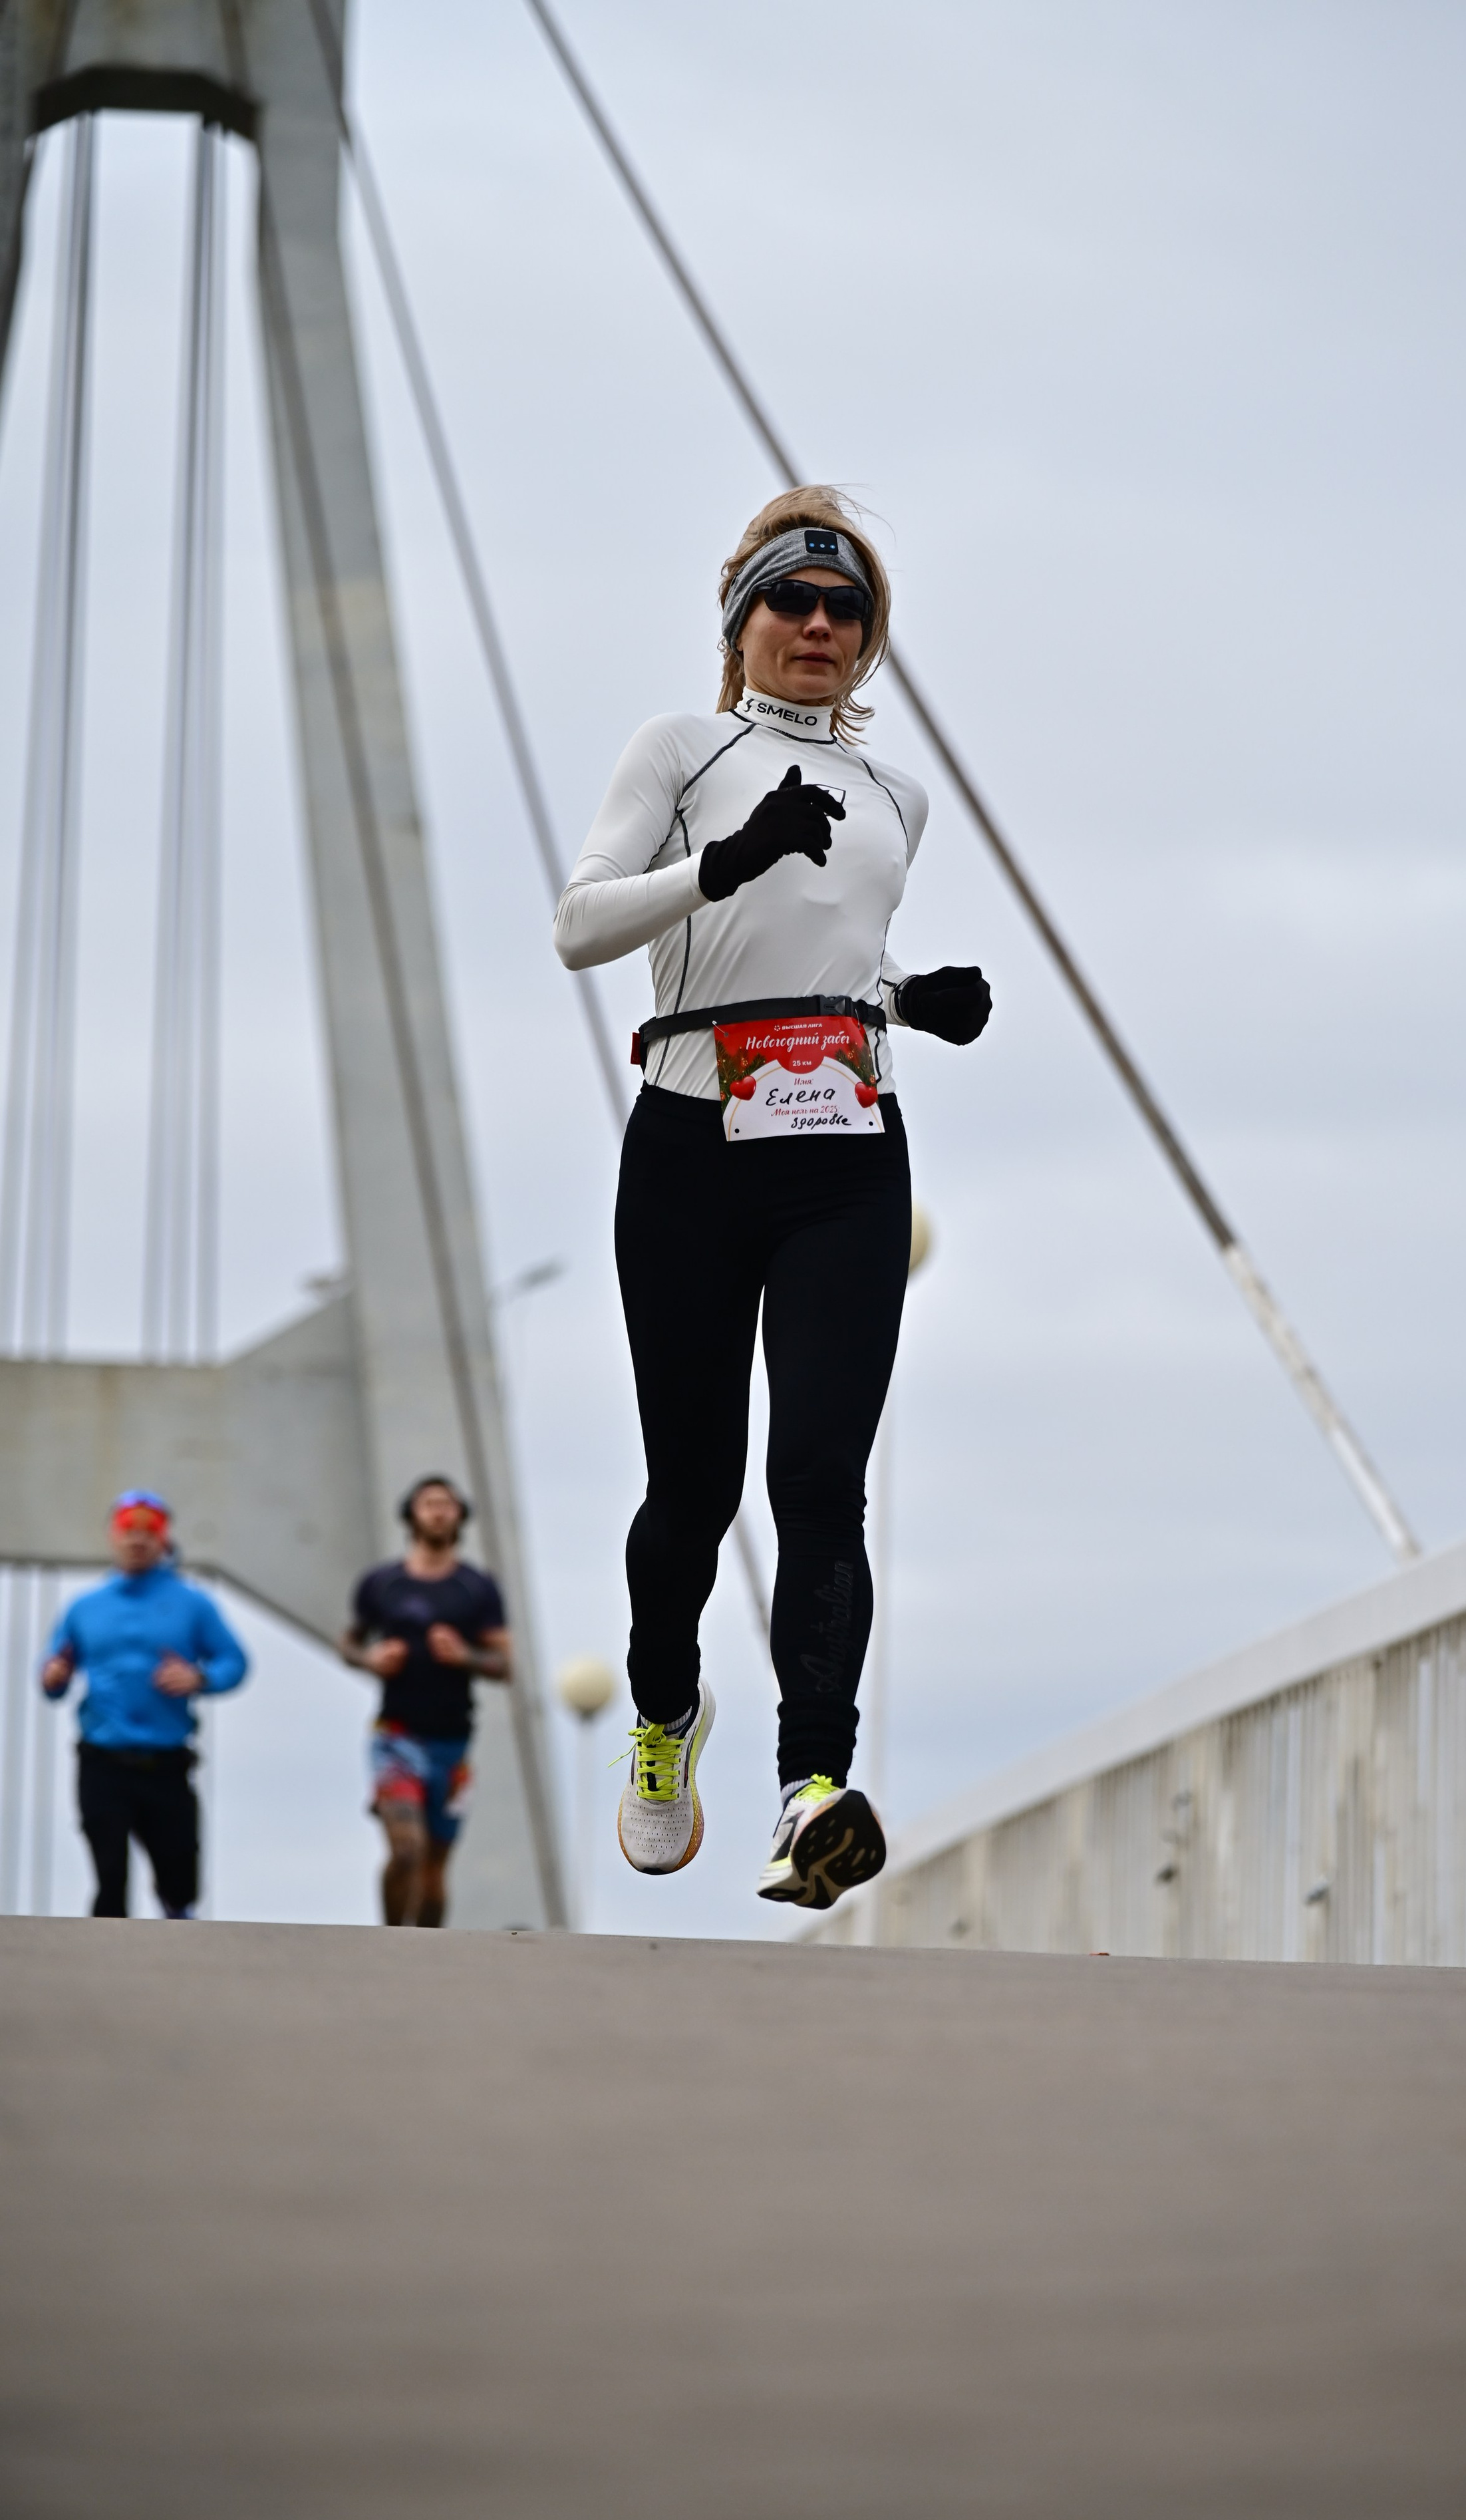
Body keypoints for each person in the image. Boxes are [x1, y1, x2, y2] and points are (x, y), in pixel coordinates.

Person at [555, 486, 991, 1909]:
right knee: (695, 1488)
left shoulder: (896, 800)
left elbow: (824, 949)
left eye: (843, 610)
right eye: (789, 603)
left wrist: (903, 1000)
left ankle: (813, 1788)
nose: (815, 626)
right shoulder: (681, 748)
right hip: (689, 1149)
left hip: (844, 1157)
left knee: (819, 1480)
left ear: (867, 644)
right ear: (739, 625)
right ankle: (665, 1716)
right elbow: (581, 926)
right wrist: (721, 862)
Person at [41, 1489, 249, 1919]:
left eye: (148, 1531)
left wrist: (200, 1677)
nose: (137, 1540)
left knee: (178, 1880)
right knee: (110, 1875)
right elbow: (52, 1674)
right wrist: (54, 1677)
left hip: (166, 1763)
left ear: (164, 1540)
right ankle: (104, 1969)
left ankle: (178, 1951)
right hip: (103, 1759)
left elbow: (236, 1661)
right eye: (128, 1531)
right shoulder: (85, 1607)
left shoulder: (192, 1604)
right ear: (112, 1537)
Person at [341, 1476, 510, 1927]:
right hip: (396, 1735)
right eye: (428, 1504)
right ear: (411, 1515)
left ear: (459, 1516)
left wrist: (465, 1655)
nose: (438, 1511)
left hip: (453, 1744)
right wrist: (371, 1658)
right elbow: (349, 1643)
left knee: (434, 1868)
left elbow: (505, 1664)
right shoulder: (383, 1584)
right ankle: (393, 1941)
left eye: (447, 1505)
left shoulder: (476, 1588)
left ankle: (429, 1955)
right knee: (406, 1850)